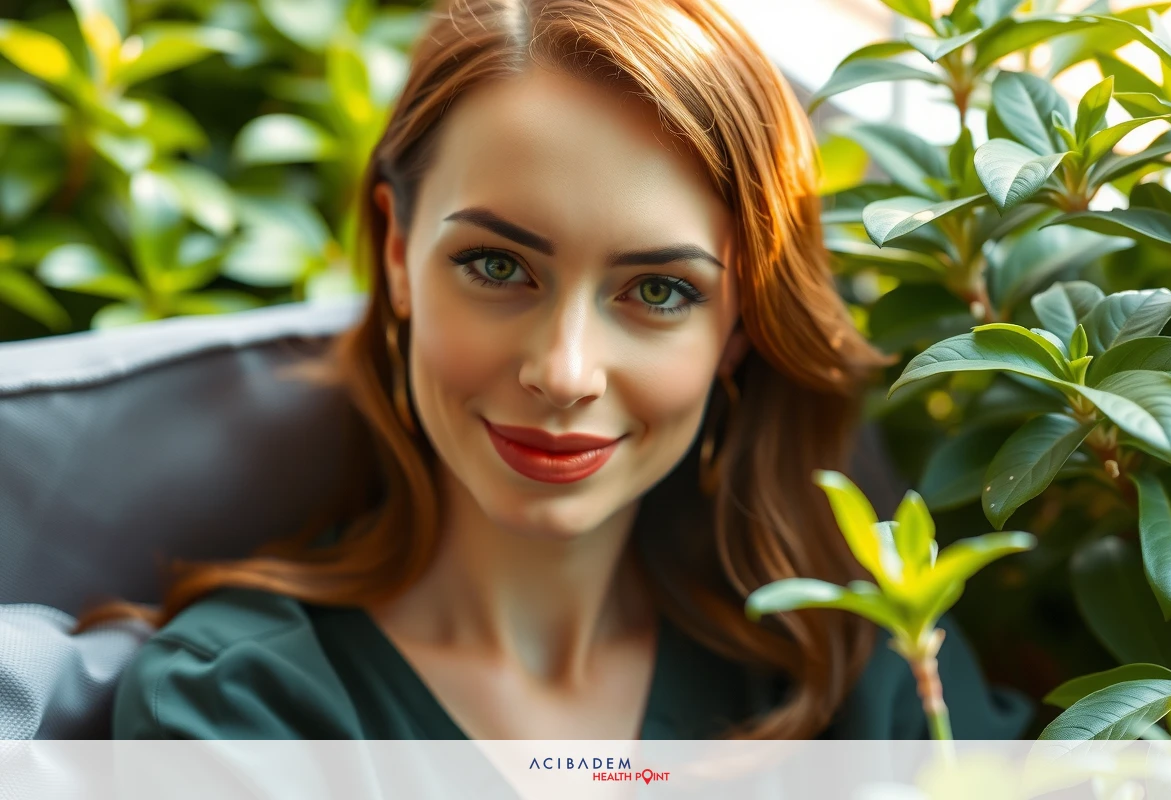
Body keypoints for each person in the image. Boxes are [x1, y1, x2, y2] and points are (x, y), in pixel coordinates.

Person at [100, 0, 1032, 740]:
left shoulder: (859, 671)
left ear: (741, 321)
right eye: (498, 267)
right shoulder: (241, 709)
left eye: (660, 290)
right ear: (395, 251)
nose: (564, 371)